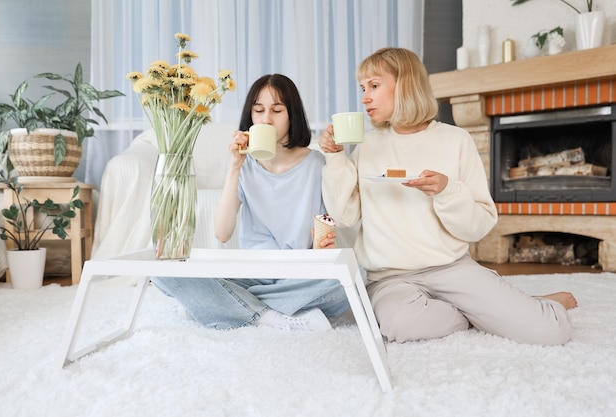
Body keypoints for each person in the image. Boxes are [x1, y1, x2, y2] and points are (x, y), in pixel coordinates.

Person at [318, 47, 577, 345]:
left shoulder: (456, 141)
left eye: (374, 86)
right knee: (400, 325)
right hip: (390, 279)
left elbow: (478, 225)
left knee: (550, 331)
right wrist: (334, 158)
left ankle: (511, 305)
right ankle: (482, 310)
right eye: (363, 88)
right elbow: (344, 217)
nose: (365, 97)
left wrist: (447, 191)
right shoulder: (366, 146)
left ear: (405, 85)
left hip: (452, 269)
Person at [152, 74, 349, 331]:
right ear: (251, 116)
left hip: (300, 273)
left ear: (292, 115)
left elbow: (324, 231)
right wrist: (234, 167)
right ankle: (269, 317)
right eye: (259, 111)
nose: (266, 119)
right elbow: (222, 233)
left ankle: (218, 305)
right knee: (163, 272)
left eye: (277, 110)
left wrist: (323, 247)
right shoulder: (243, 166)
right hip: (252, 272)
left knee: (348, 282)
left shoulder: (315, 164)